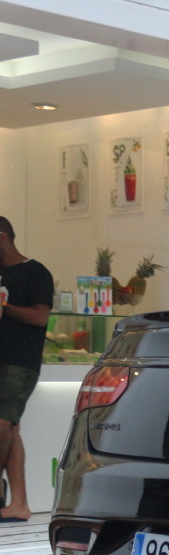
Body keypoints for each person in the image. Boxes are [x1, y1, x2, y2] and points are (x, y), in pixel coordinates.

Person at [0, 216, 54, 522]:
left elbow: (39, 317)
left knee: (2, 424)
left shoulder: (35, 271)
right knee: (12, 429)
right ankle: (19, 502)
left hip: (19, 362)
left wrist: (5, 308)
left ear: (3, 237)